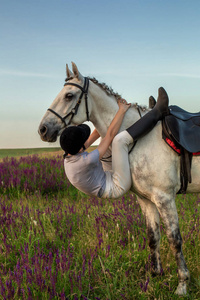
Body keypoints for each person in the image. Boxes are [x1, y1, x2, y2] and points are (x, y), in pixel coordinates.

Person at [60, 87, 169, 199]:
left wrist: (106, 116)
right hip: (115, 186)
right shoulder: (85, 161)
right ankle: (157, 112)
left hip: (104, 176)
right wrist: (121, 110)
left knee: (104, 136)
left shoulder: (71, 152)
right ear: (79, 149)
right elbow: (110, 135)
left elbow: (98, 133)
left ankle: (148, 113)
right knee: (119, 140)